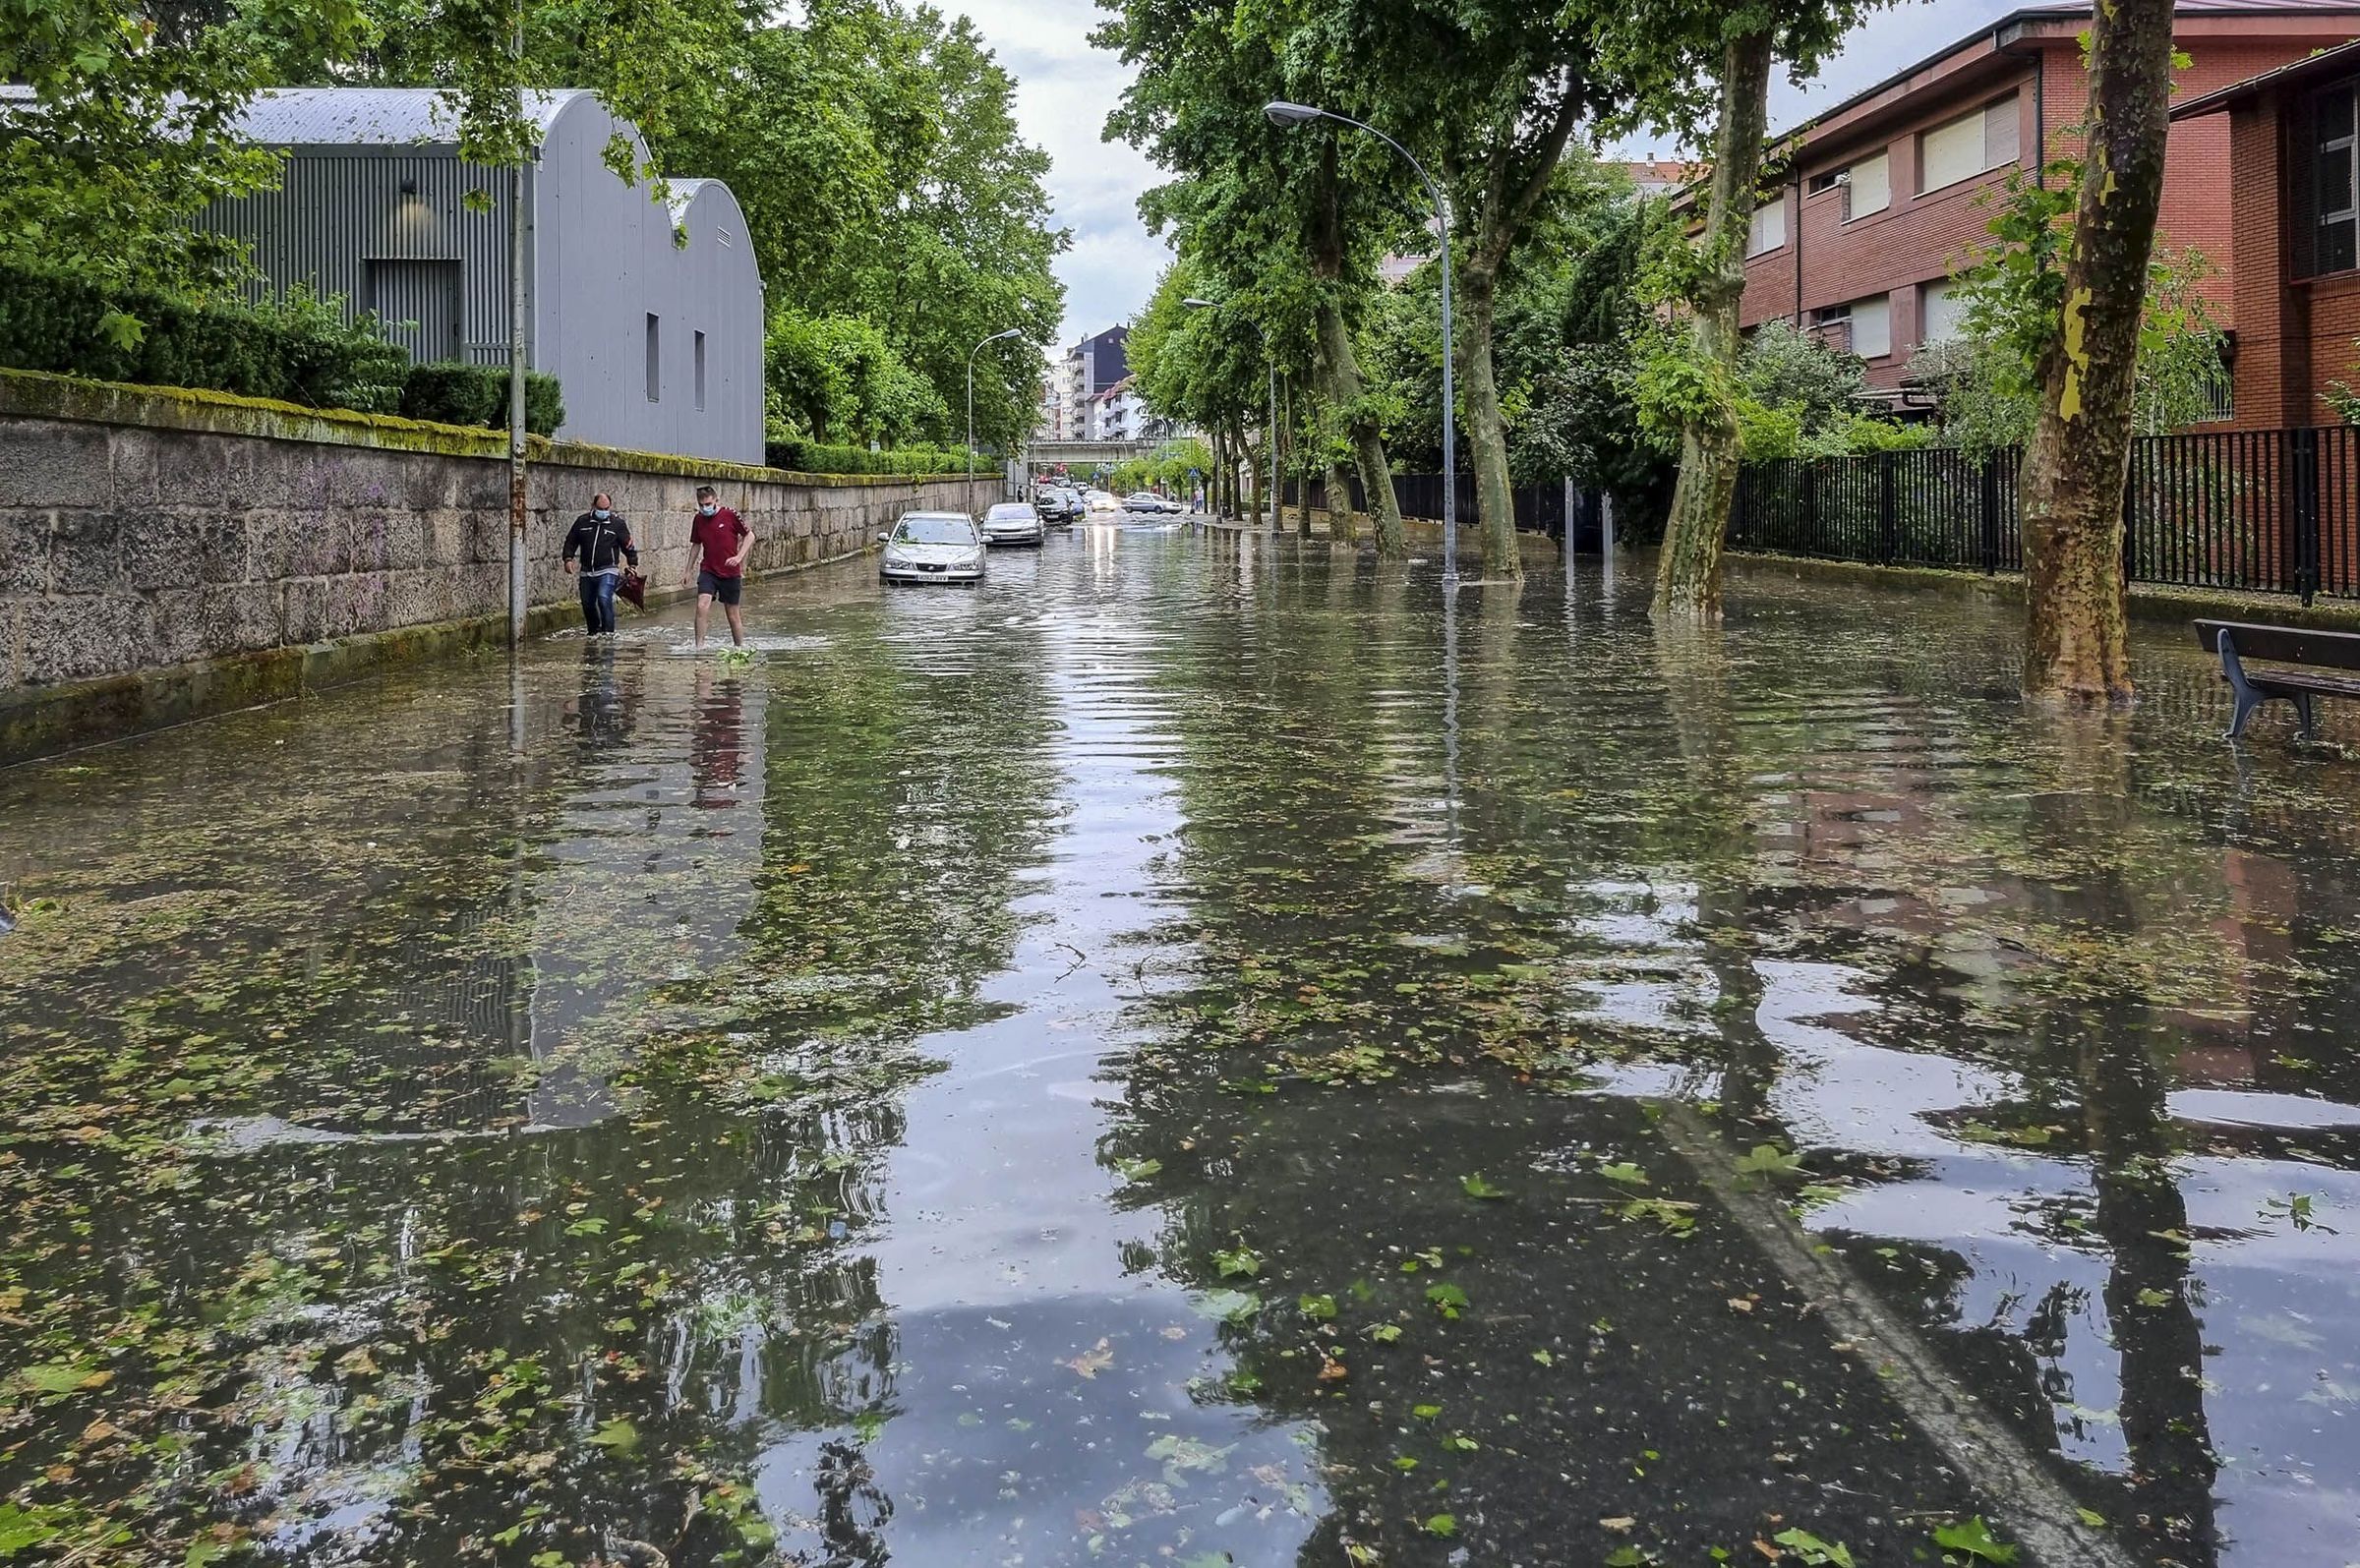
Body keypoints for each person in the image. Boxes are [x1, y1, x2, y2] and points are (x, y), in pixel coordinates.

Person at [681, 484, 752, 648]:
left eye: (708, 504)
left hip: (730, 572)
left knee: (732, 614)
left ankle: (739, 647)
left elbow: (750, 536)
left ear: (716, 500)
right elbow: (696, 545)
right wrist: (688, 571)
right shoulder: (698, 519)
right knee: (701, 605)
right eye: (701, 505)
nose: (705, 508)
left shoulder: (730, 514)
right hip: (709, 570)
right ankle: (699, 647)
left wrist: (738, 557)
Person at [561, 493, 638, 636]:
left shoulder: (617, 524)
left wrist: (632, 564)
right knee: (588, 604)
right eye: (600, 509)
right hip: (587, 571)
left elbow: (628, 545)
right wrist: (568, 559)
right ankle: (594, 631)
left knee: (603, 598)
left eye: (606, 509)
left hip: (608, 569)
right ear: (593, 506)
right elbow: (571, 541)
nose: (603, 512)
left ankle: (608, 633)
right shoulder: (582, 522)